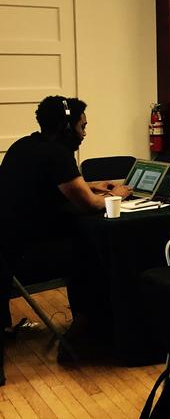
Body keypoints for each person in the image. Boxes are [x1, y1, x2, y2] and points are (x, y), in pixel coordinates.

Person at [0, 96, 131, 337]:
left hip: (7, 253)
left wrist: (89, 184)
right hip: (26, 259)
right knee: (95, 252)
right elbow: (90, 204)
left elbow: (49, 185)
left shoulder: (23, 146)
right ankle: (86, 328)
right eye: (83, 127)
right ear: (68, 128)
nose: (84, 134)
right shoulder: (57, 155)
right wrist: (119, 195)